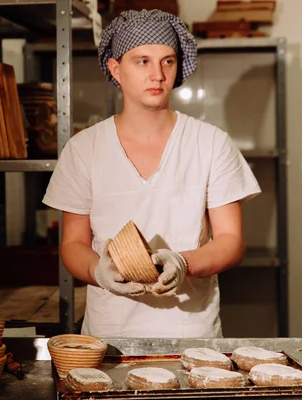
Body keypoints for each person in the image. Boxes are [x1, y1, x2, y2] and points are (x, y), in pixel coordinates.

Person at [41, 9, 261, 338]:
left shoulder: (211, 143)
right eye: (142, 61)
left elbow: (231, 242)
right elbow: (73, 243)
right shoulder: (84, 148)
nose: (157, 74)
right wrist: (97, 271)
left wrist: (184, 263)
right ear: (116, 69)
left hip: (192, 333)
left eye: (167, 61)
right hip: (109, 335)